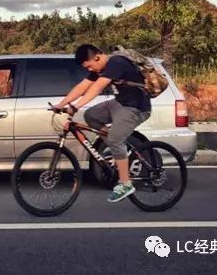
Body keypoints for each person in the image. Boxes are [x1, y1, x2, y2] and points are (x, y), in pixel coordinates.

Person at [53, 44, 151, 202]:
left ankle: (125, 183)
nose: (90, 70)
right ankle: (117, 150)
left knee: (114, 139)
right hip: (120, 103)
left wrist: (76, 106)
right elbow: (83, 86)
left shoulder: (116, 62)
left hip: (136, 108)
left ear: (97, 57)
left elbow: (97, 87)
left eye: (90, 66)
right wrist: (62, 104)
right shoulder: (99, 68)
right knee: (91, 115)